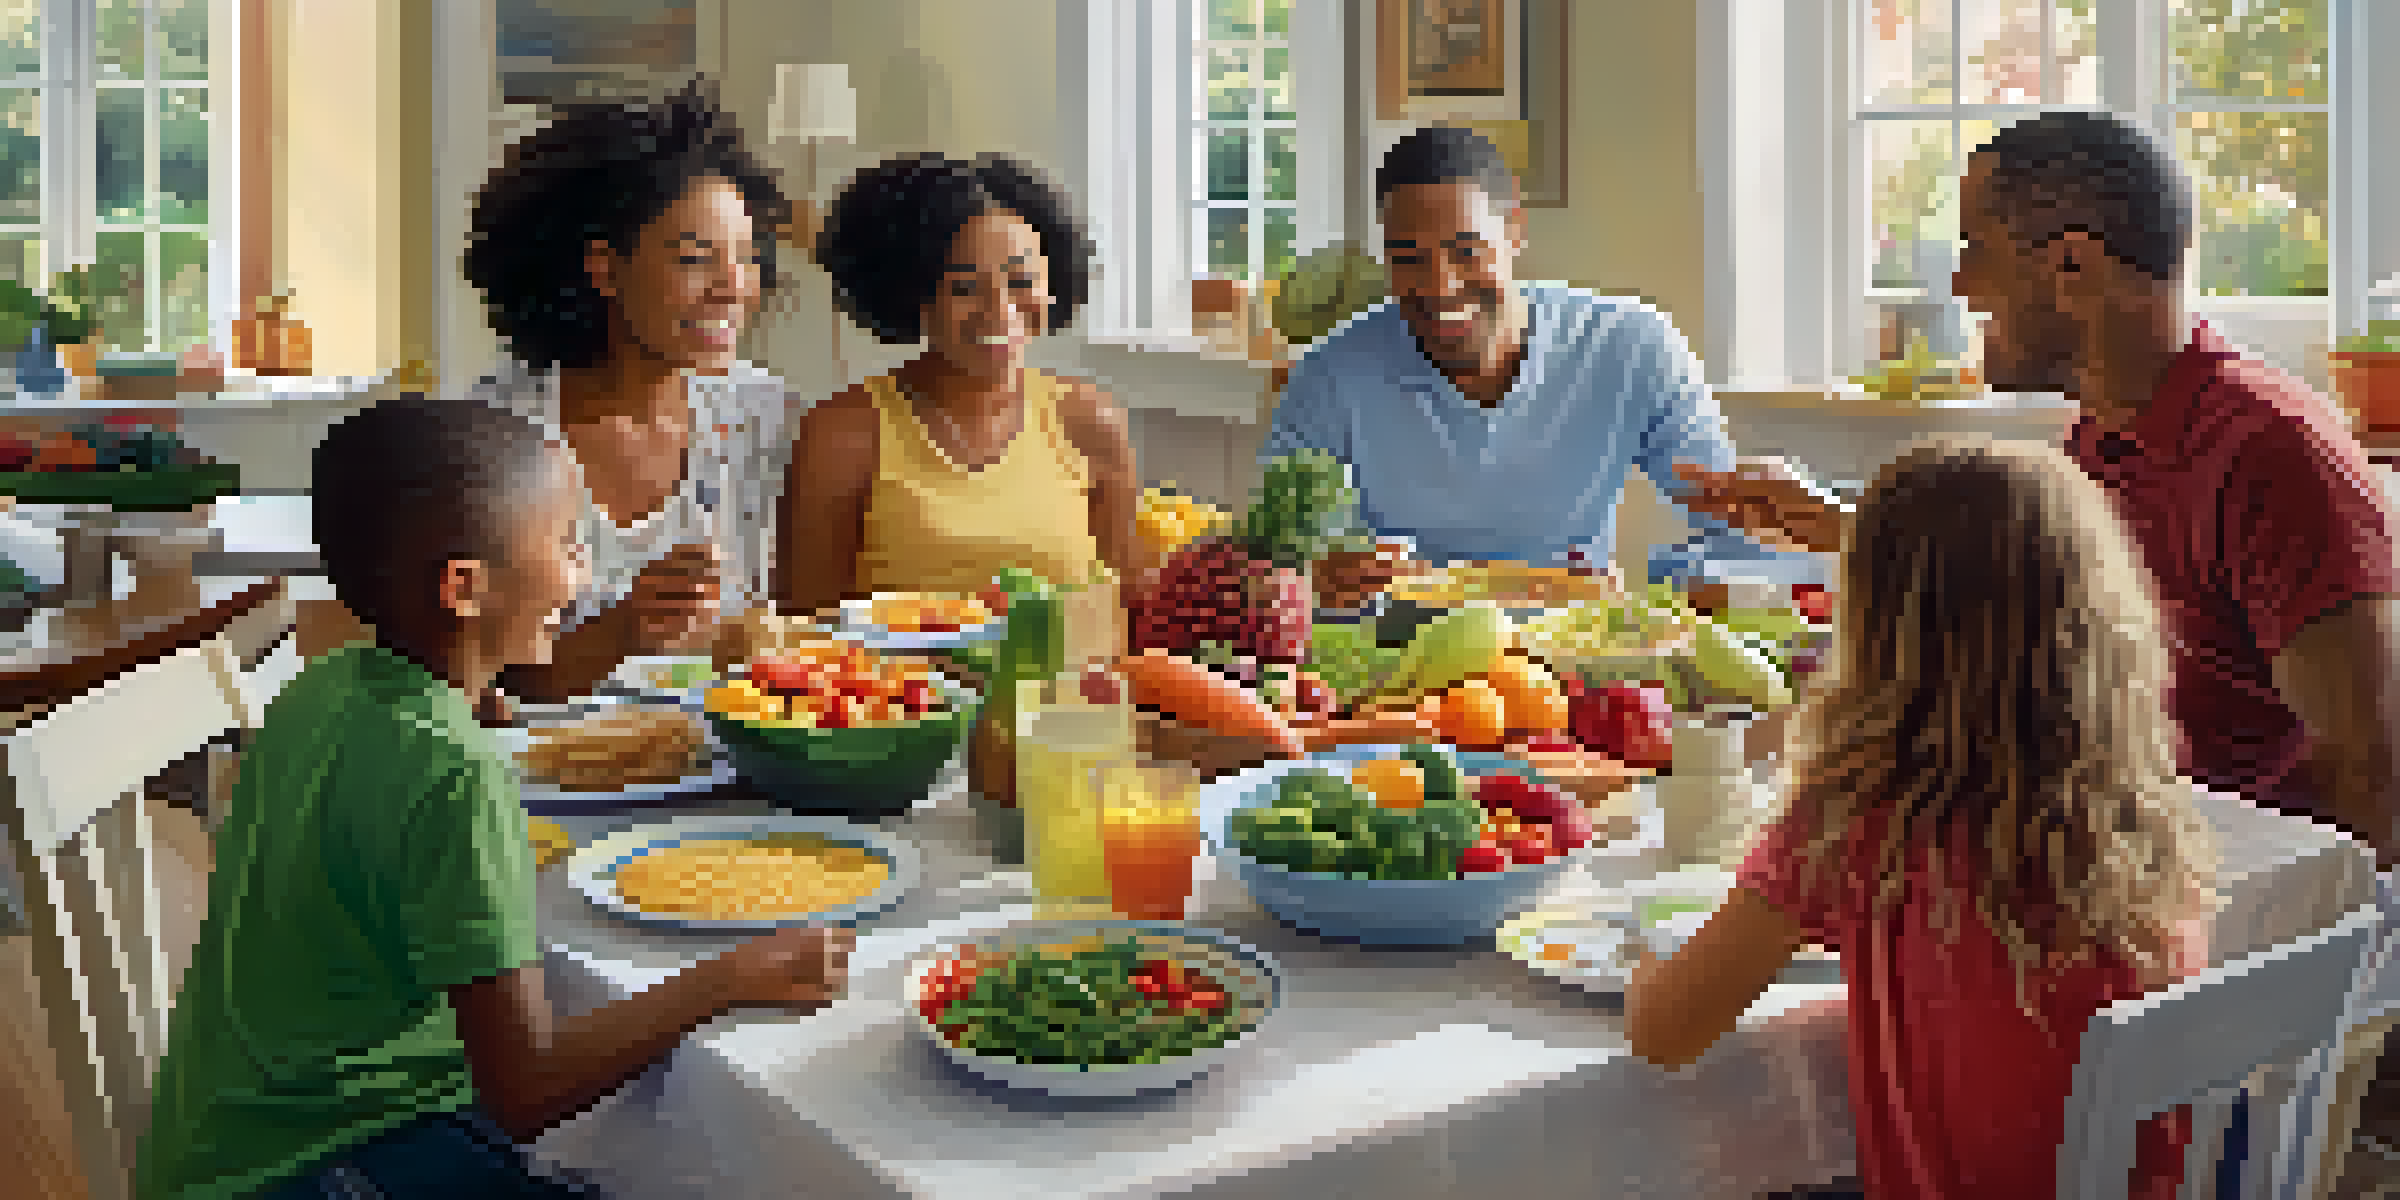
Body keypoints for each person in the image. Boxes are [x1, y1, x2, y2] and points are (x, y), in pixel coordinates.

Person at [136, 397, 851, 1199]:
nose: (580, 573)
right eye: (567, 545)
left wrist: (468, 695)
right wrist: (730, 977)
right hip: (332, 1164)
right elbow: (527, 1088)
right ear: (465, 588)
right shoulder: (453, 771)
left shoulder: (326, 688)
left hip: (225, 1148)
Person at [1625, 437, 2220, 1200]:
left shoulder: (1864, 817)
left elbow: (1667, 1032)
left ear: (1882, 629)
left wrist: (1643, 954)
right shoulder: (2137, 807)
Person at [1261, 125, 1807, 610]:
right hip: (1390, 671)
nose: (1440, 286)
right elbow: (1266, 561)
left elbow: (1741, 536)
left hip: (1572, 661)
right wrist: (1306, 579)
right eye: (1409, 258)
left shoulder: (1630, 344)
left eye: (1466, 251)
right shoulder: (1330, 374)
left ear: (1515, 231)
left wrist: (1672, 587)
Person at [458, 77, 801, 714]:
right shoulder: (495, 437)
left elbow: (804, 641)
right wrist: (624, 628)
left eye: (747, 258)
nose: (733, 288)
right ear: (604, 268)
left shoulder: (770, 422)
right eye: (696, 259)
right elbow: (489, 680)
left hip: (740, 775)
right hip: (544, 783)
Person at [778, 151, 1140, 617]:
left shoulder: (1090, 422)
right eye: (965, 287)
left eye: (1021, 280)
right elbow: (807, 629)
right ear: (913, 292)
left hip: (1063, 691)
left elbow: (1125, 617)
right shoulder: (844, 434)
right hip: (898, 690)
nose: (1000, 311)